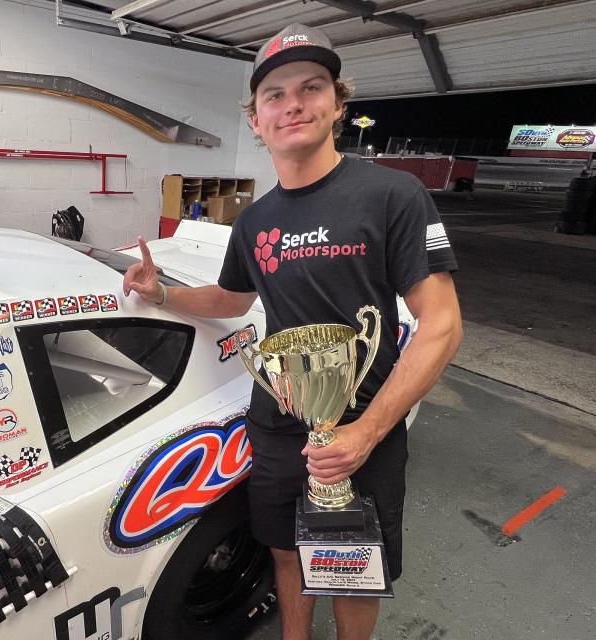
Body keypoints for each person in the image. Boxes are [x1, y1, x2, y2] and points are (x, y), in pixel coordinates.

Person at [122, 23, 463, 640]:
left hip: (364, 414)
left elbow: (442, 324)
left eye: (311, 87)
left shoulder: (393, 195)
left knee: (354, 564)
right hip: (280, 415)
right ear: (255, 119)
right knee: (284, 549)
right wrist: (163, 292)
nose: (293, 104)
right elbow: (231, 296)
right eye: (275, 95)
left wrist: (366, 432)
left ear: (338, 103)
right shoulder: (255, 220)